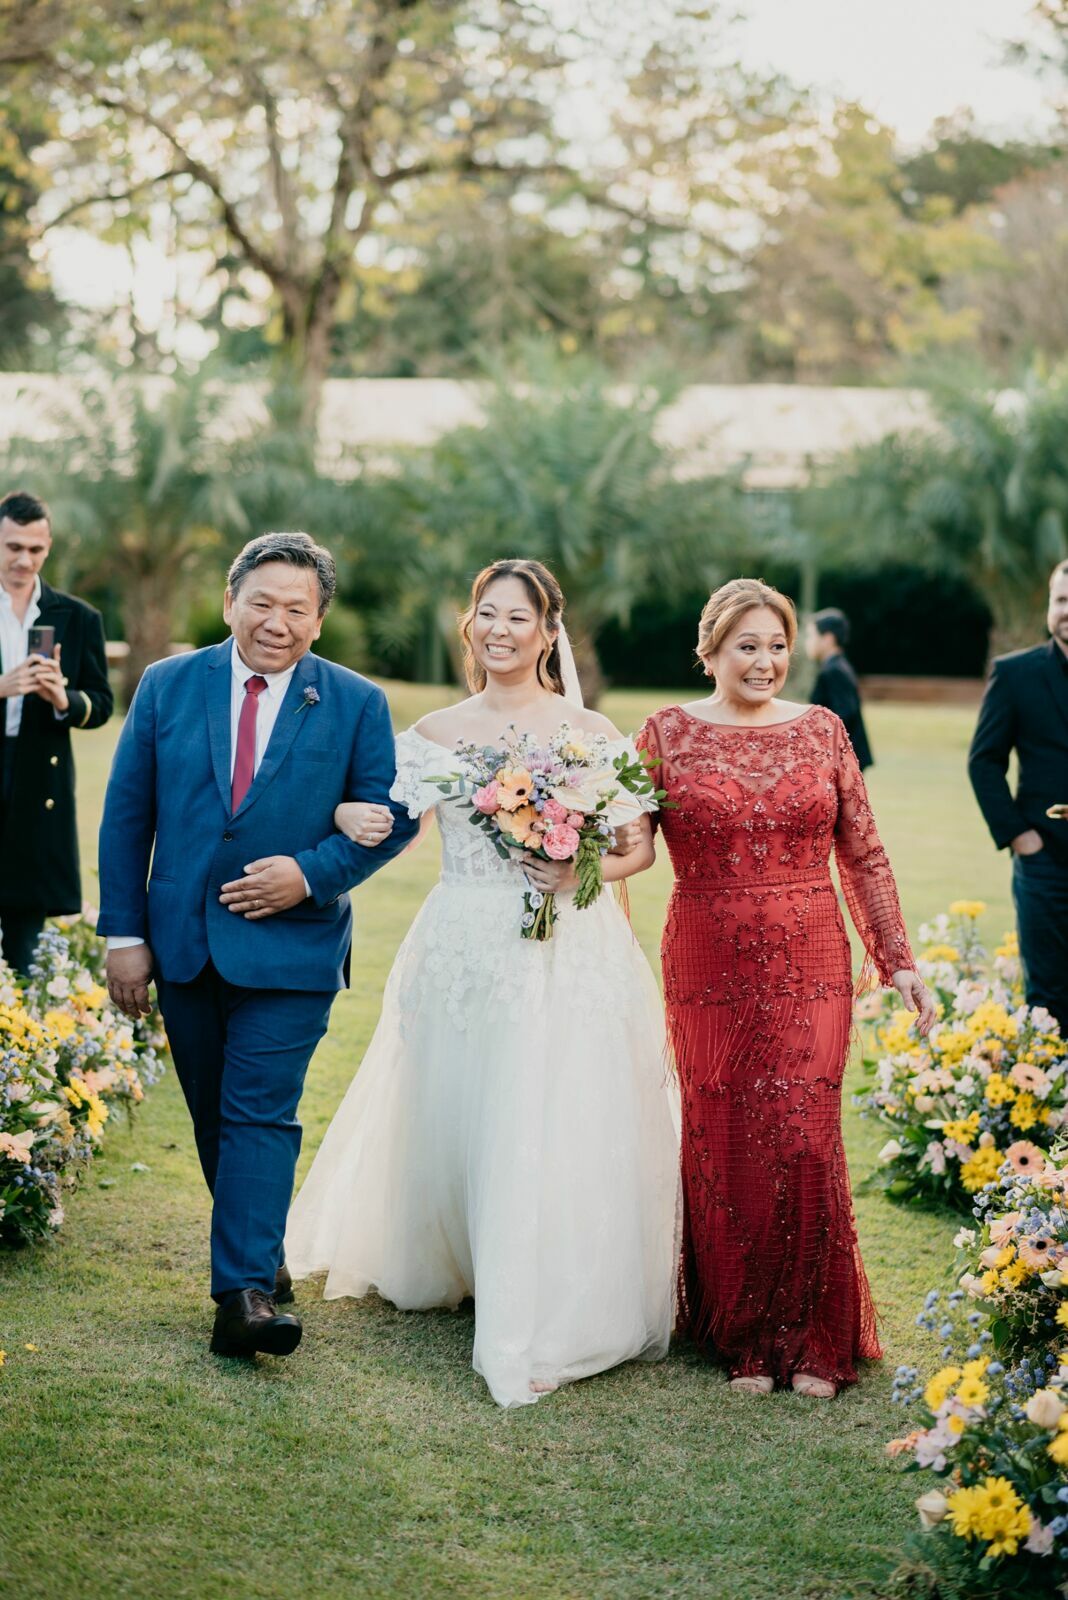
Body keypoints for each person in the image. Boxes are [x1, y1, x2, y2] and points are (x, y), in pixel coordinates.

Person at [285, 558, 681, 1408]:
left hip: (568, 941)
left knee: (556, 1104)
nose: (500, 630)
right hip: (464, 937)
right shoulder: (433, 731)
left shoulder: (591, 730)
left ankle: (551, 1291)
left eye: (519, 618)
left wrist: (575, 867)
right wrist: (345, 815)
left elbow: (637, 849)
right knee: (466, 1100)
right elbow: (385, 820)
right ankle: (458, 1256)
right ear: (472, 626)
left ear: (548, 632)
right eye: (487, 615)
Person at [98, 531, 418, 1360]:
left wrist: (310, 874)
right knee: (212, 1113)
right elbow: (128, 817)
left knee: (259, 1112)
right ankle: (259, 1250)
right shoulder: (168, 686)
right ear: (232, 599)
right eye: (263, 602)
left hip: (293, 949)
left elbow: (391, 819)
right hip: (183, 943)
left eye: (297, 609)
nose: (277, 621)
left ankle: (240, 1299)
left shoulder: (356, 703)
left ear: (319, 622)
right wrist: (124, 935)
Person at [637, 578, 933, 1399]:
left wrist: (899, 958)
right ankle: (742, 1334)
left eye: (776, 646)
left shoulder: (823, 730)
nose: (764, 661)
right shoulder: (664, 733)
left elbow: (864, 854)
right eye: (747, 646)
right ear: (711, 650)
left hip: (810, 957)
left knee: (803, 1137)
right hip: (705, 959)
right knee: (723, 1135)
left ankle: (813, 1339)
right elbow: (630, 849)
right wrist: (561, 838)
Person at [0, 490, 113, 974]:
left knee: (25, 930)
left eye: (35, 549)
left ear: (48, 548)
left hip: (36, 780)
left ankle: (19, 1040)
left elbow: (102, 704)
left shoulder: (78, 617)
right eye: (13, 547)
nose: (24, 559)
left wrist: (64, 699)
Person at [968, 560, 1068, 1032]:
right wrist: (1018, 836)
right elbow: (984, 761)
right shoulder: (1014, 674)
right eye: (1062, 600)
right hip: (1044, 856)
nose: (1067, 611)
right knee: (1047, 994)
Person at [805, 607, 873, 770]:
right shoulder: (837, 666)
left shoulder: (834, 670)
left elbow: (845, 713)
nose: (808, 642)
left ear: (827, 639)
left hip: (843, 758)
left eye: (811, 636)